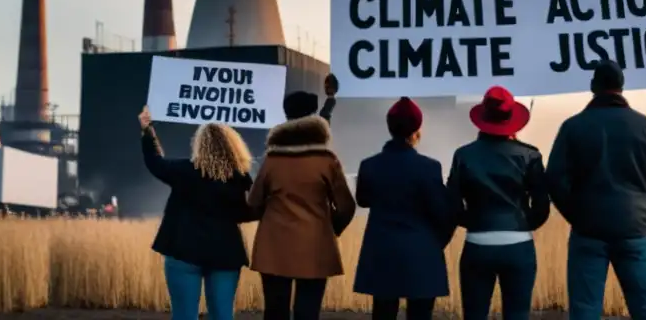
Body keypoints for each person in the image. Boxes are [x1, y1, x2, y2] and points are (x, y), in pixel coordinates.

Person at [546, 61, 646, 320]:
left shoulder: (573, 127)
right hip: (636, 228)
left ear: (593, 86)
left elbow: (555, 180)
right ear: (621, 86)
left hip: (588, 230)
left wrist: (577, 215)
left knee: (585, 309)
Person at [138, 106, 255, 320]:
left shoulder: (184, 171)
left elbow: (155, 163)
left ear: (200, 145)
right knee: (222, 316)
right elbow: (246, 213)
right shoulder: (240, 179)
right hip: (225, 255)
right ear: (233, 146)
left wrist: (148, 131)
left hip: (183, 252)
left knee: (184, 316)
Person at [447, 86, 551, 320]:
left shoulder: (464, 155)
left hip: (477, 243)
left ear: (483, 118)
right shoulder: (530, 155)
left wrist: (472, 221)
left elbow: (452, 204)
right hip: (518, 243)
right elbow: (542, 205)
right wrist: (524, 223)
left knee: (474, 314)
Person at [248, 99, 357, 320]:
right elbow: (346, 206)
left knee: (275, 312)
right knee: (308, 312)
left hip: (274, 247)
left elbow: (253, 203)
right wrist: (330, 227)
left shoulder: (272, 159)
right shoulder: (327, 160)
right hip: (316, 246)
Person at [354, 97, 453, 320]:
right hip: (421, 251)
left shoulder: (369, 165)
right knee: (420, 314)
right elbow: (442, 213)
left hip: (381, 251)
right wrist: (436, 244)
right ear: (416, 130)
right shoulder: (429, 167)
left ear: (390, 128)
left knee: (383, 313)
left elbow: (363, 200)